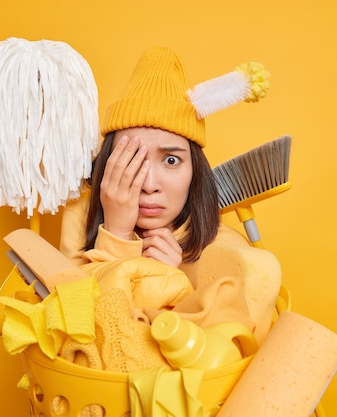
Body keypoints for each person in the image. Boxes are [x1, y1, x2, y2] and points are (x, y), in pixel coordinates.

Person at [59, 46, 281, 344]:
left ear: (195, 172)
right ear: (107, 165)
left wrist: (175, 280)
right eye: (132, 160)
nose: (149, 184)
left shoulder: (226, 250)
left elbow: (229, 356)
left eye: (171, 160)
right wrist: (116, 235)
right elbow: (81, 341)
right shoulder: (80, 218)